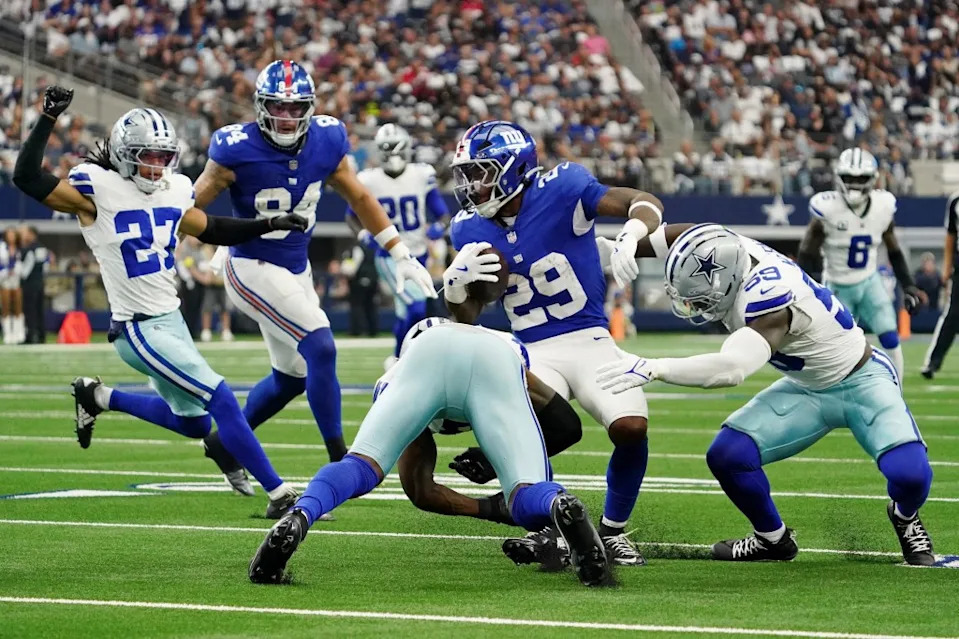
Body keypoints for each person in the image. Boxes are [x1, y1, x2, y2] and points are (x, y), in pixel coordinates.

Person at [13, 85, 306, 517]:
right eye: (146, 155)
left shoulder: (174, 190)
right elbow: (26, 178)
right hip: (137, 326)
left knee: (194, 423)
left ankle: (97, 397)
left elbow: (211, 228)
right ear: (123, 152)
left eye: (161, 156)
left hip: (171, 319)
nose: (155, 166)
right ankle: (279, 494)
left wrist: (267, 224)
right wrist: (48, 118)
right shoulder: (97, 191)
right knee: (222, 398)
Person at [596, 223, 936, 566]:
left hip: (862, 379)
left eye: (700, 298)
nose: (694, 305)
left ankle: (905, 516)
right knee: (728, 456)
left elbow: (731, 369)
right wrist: (621, 248)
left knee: (911, 475)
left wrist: (655, 368)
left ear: (726, 283)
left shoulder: (769, 298)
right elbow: (685, 234)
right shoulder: (728, 247)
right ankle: (772, 539)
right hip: (807, 387)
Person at [191, 60, 436, 495]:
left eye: (294, 108)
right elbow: (188, 206)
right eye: (276, 108)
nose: (286, 117)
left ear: (309, 108)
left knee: (292, 377)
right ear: (260, 107)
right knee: (321, 345)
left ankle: (225, 441)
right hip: (249, 264)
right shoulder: (233, 148)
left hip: (294, 265)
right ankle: (340, 459)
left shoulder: (327, 138)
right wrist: (206, 240)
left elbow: (359, 195)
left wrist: (398, 251)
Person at [444, 120, 664, 566]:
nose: (471, 185)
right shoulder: (466, 228)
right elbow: (466, 319)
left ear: (512, 168)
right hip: (529, 349)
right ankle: (551, 530)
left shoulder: (563, 188)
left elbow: (642, 201)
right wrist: (454, 290)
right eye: (465, 174)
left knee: (631, 428)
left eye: (481, 172)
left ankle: (614, 530)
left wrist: (633, 232)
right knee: (524, 429)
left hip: (589, 338)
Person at [249, 319, 611, 587]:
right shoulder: (502, 346)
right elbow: (566, 424)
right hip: (496, 356)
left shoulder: (403, 369)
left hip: (425, 358)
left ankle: (300, 515)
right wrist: (504, 501)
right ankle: (557, 504)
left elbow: (420, 488)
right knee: (529, 491)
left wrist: (488, 475)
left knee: (360, 466)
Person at [798, 148, 926, 381]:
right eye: (849, 178)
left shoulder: (883, 206)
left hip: (869, 281)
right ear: (839, 178)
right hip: (837, 285)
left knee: (890, 335)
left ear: (872, 179)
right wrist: (805, 289)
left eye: (860, 178)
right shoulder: (827, 208)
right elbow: (807, 254)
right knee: (834, 347)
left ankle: (896, 391)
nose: (854, 184)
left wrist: (909, 286)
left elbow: (894, 250)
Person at [345, 124, 450, 367]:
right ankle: (404, 359)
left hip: (420, 253)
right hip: (389, 254)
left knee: (407, 311)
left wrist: (439, 228)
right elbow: (351, 216)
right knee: (416, 306)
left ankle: (397, 357)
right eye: (386, 149)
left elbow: (442, 214)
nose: (392, 155)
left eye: (395, 149)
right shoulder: (368, 179)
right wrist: (362, 234)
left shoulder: (421, 174)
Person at [922, 188, 959, 378]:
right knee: (952, 315)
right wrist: (946, 268)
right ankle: (933, 363)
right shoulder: (955, 200)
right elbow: (951, 237)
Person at [17, 225, 51, 344]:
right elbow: (46, 267)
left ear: (31, 234)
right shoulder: (42, 248)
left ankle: (31, 335)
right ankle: (41, 336)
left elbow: (25, 270)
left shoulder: (28, 249)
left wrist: (20, 280)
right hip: (40, 283)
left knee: (30, 310)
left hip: (30, 284)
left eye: (25, 233)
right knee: (39, 309)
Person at [0, 226, 23, 344]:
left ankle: (18, 332)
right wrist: (4, 271)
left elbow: (23, 263)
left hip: (17, 279)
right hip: (5, 280)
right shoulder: (1, 248)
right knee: (6, 306)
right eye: (9, 234)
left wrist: (18, 270)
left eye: (13, 234)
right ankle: (8, 333)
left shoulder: (20, 248)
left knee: (17, 306)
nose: (11, 237)